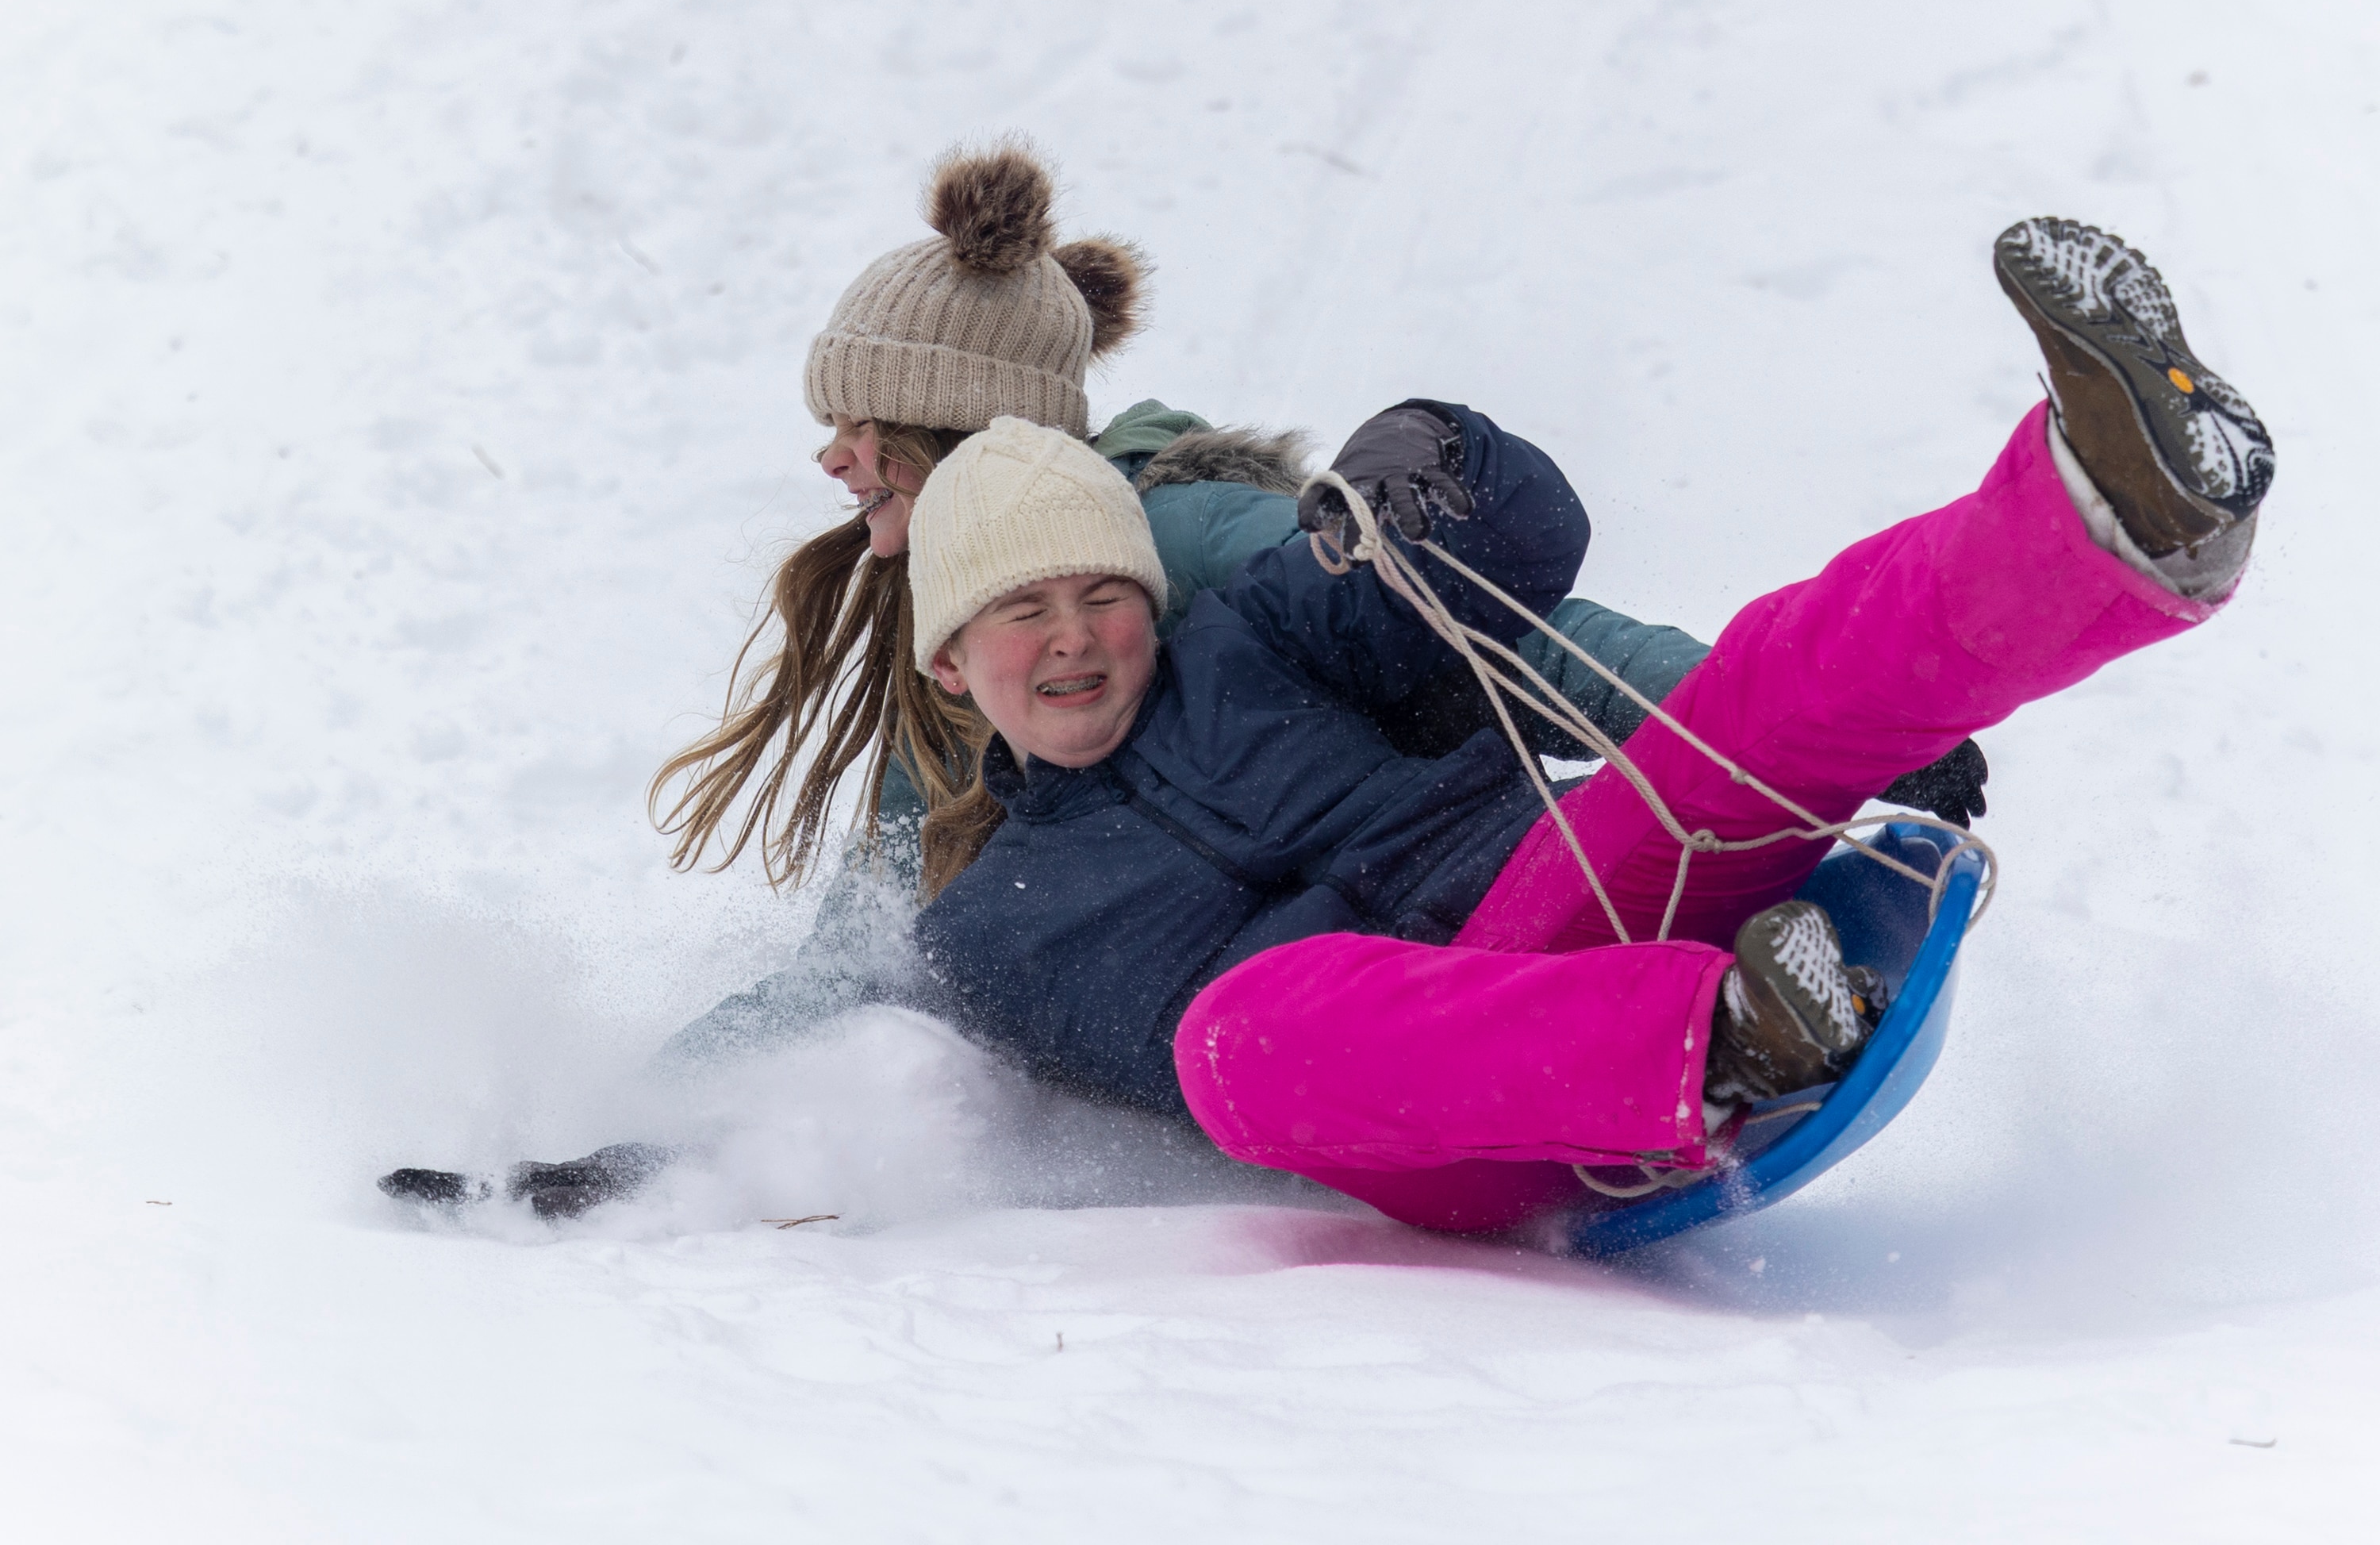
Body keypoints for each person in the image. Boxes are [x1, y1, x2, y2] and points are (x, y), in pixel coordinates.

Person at [384, 217, 2263, 1230]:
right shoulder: (951, 852)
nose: (1073, 635)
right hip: (1446, 1075)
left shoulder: (1200, 565)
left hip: (1541, 891)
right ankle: (1727, 1025)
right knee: (1247, 1036)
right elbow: (841, 975)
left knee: (1753, 692)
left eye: (1090, 592)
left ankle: (2114, 516)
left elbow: (1506, 608)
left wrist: (1437, 471)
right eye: (1012, 613)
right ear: (947, 654)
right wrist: (641, 1136)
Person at [643, 141, 1982, 911]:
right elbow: (882, 912)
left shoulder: (1184, 541)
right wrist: (684, 1137)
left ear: (957, 427)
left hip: (1456, 860)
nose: (834, 457)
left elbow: (1523, 643)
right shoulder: (957, 638)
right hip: (1278, 963)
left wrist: (1809, 744)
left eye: (865, 428)